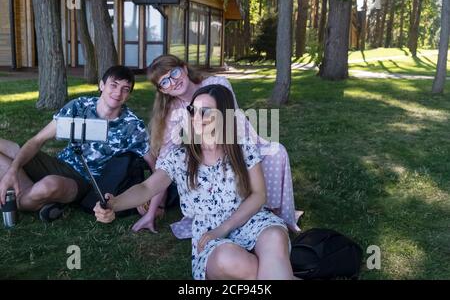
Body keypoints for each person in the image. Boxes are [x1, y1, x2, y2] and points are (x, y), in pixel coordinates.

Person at [94, 85, 295, 280]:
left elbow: (259, 195)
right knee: (230, 260)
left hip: (248, 218)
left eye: (206, 112)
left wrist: (225, 227)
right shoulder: (180, 156)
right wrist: (115, 203)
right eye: (193, 110)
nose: (196, 119)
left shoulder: (242, 148)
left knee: (275, 238)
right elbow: (147, 187)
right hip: (208, 230)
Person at [133, 54, 300, 236]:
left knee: (277, 153)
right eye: (164, 82)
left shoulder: (217, 84)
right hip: (211, 157)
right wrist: (151, 213)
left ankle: (272, 213)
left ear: (185, 69)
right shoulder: (174, 109)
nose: (173, 82)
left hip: (240, 140)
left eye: (174, 73)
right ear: (162, 90)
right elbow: (166, 159)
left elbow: (233, 121)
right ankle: (238, 210)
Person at [0, 66, 151, 222]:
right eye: (113, 85)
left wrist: (150, 199)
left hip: (84, 181)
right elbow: (38, 140)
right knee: (6, 148)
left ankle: (16, 201)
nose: (118, 93)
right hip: (60, 164)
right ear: (101, 85)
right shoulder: (79, 106)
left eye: (125, 89)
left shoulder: (132, 125)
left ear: (129, 94)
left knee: (48, 185)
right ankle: (31, 194)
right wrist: (13, 169)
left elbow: (155, 163)